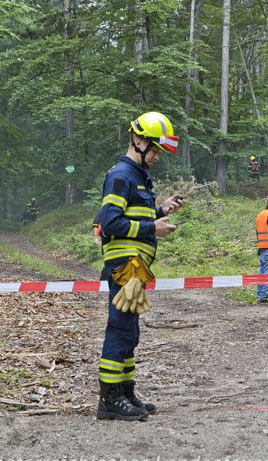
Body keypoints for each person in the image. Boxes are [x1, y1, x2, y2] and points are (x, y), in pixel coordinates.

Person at [97, 111, 184, 422]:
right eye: (156, 149)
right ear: (138, 140)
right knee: (120, 329)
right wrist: (152, 228)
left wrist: (160, 210)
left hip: (135, 266)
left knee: (130, 331)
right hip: (125, 264)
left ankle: (125, 390)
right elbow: (109, 223)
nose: (158, 156)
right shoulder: (121, 175)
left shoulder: (136, 177)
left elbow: (132, 215)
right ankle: (109, 398)